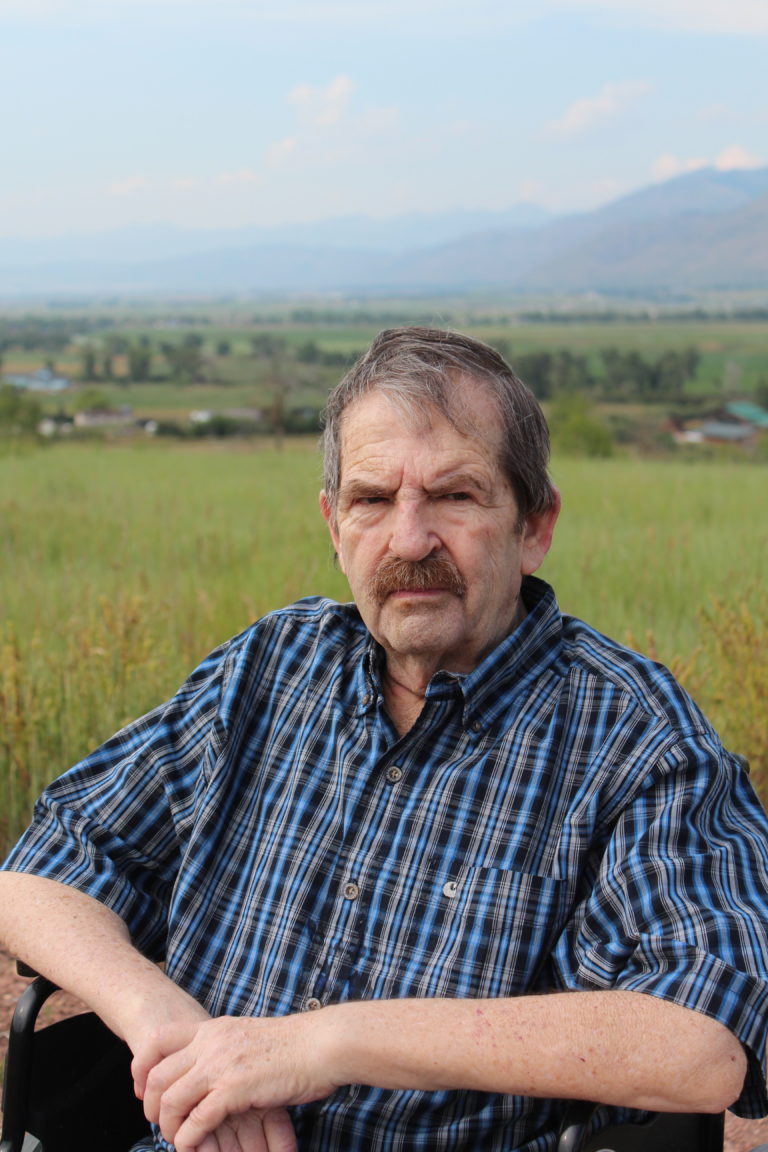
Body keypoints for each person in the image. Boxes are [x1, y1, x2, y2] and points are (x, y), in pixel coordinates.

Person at [1, 326, 768, 1152]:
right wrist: (170, 1028)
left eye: (455, 495)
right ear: (334, 527)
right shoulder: (269, 668)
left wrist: (322, 1045)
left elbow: (704, 1041)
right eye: (372, 500)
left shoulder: (633, 736)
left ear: (534, 526)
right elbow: (44, 867)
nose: (409, 541)